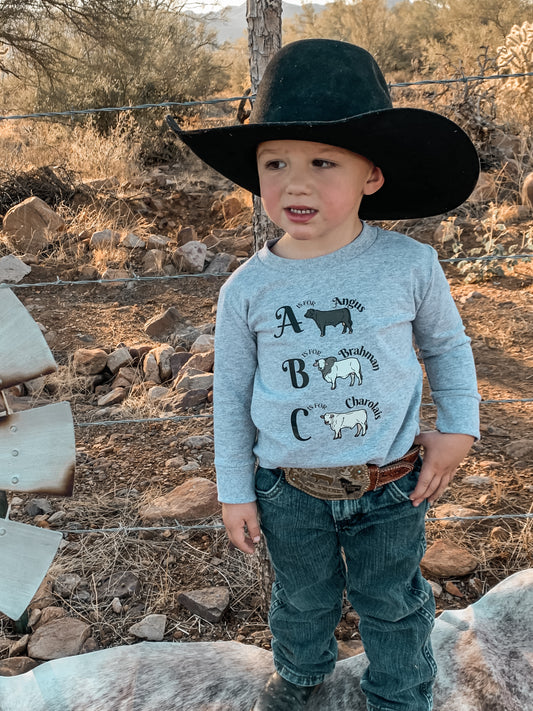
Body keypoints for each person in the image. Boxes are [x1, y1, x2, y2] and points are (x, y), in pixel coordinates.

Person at [167, 39, 480, 711]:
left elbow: (447, 348)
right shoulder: (247, 290)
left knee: (392, 601)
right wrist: (233, 489)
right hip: (287, 491)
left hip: (389, 486)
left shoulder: (408, 265)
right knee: (301, 598)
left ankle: (399, 695)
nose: (295, 182)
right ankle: (302, 678)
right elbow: (231, 397)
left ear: (372, 173)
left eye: (321, 161)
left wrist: (457, 426)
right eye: (274, 161)